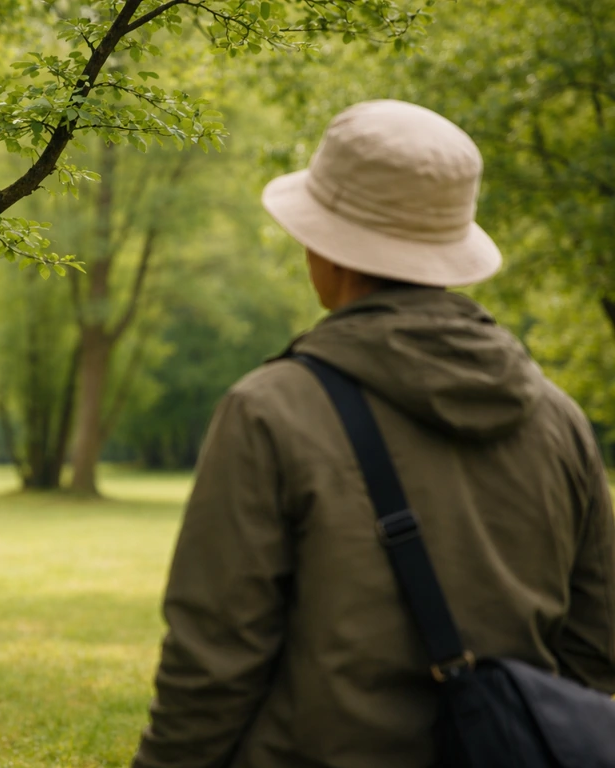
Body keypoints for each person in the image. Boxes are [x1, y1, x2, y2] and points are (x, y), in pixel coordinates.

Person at [131, 100, 615, 768]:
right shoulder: (559, 421)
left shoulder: (270, 412)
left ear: (327, 249)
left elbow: (212, 665)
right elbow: (596, 657)